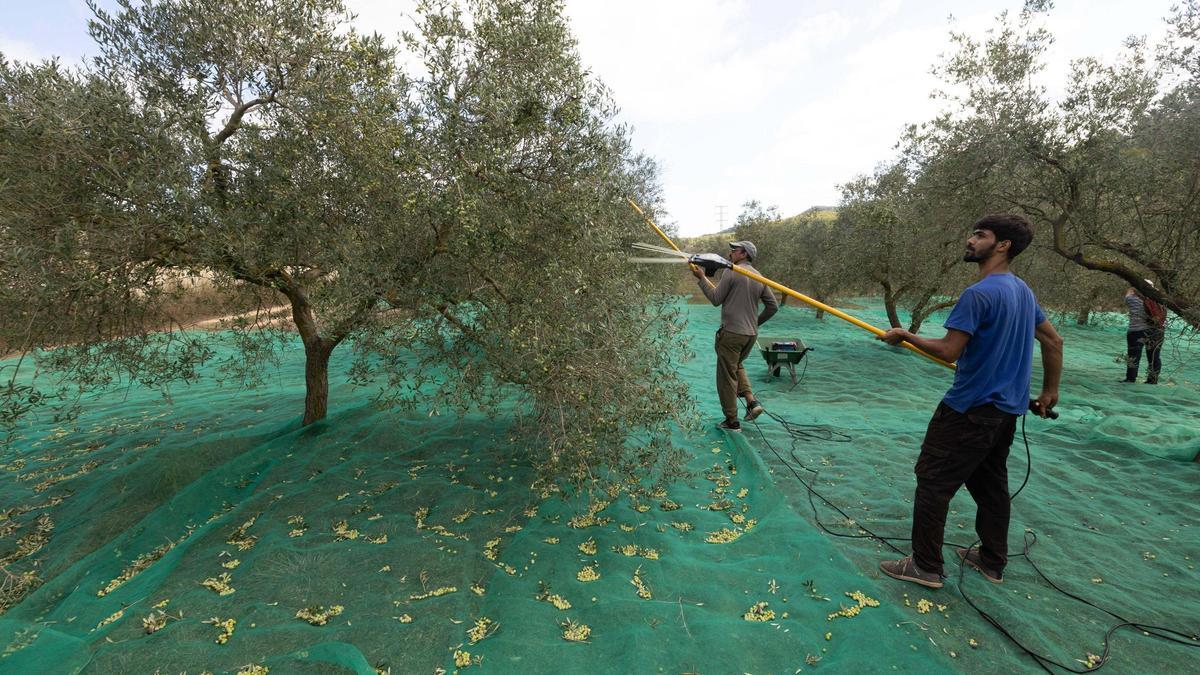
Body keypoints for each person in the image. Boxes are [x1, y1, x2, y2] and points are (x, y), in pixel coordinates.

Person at [874, 214, 1063, 589]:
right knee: (990, 487)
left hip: (968, 410)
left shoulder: (979, 294)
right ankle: (992, 561)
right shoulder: (1022, 292)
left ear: (1003, 245)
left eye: (980, 235)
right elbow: (1053, 341)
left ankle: (925, 566)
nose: (970, 240)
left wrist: (906, 336)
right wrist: (1049, 393)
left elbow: (949, 351)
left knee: (933, 482)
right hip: (1005, 415)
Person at [692, 241, 779, 431]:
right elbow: (773, 307)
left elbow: (716, 299)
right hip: (750, 335)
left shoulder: (731, 271)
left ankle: (732, 421)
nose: (730, 253)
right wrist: (754, 323)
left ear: (744, 254)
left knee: (726, 377)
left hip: (731, 334)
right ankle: (752, 402)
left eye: (734, 250)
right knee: (737, 365)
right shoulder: (759, 277)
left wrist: (701, 278)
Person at [1122, 283, 1165, 384]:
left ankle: (1130, 379)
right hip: (1156, 332)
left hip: (1136, 331)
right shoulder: (1159, 301)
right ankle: (1152, 380)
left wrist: (1133, 286)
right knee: (1154, 357)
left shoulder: (1131, 299)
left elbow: (1128, 293)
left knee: (1133, 356)